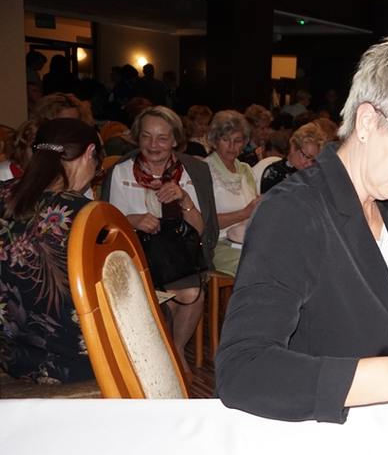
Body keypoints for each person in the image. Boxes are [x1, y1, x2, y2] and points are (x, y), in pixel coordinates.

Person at [215, 38, 388, 423]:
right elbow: (243, 372)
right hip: (316, 433)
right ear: (366, 122)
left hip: (382, 420)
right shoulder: (294, 212)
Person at [102, 106, 217, 382]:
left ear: (175, 140)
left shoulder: (193, 171)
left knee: (192, 292)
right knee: (176, 293)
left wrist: (184, 199)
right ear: (137, 137)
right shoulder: (120, 171)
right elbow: (106, 225)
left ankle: (174, 350)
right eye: (146, 136)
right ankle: (163, 353)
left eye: (162, 138)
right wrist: (133, 220)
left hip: (178, 254)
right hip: (134, 254)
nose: (153, 145)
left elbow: (200, 230)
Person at [1, 119, 102, 384]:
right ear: (90, 153)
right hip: (72, 361)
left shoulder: (2, 193)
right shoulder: (88, 214)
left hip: (9, 352)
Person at [204, 110, 259, 273]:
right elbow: (204, 223)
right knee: (260, 267)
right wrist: (244, 213)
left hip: (247, 240)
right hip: (217, 245)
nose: (232, 146)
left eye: (237, 140)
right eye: (225, 139)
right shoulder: (204, 171)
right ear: (214, 141)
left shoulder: (245, 170)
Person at [259, 121, 328, 193]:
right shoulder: (274, 173)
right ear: (293, 147)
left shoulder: (314, 175)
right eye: (307, 157)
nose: (310, 164)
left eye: (314, 160)